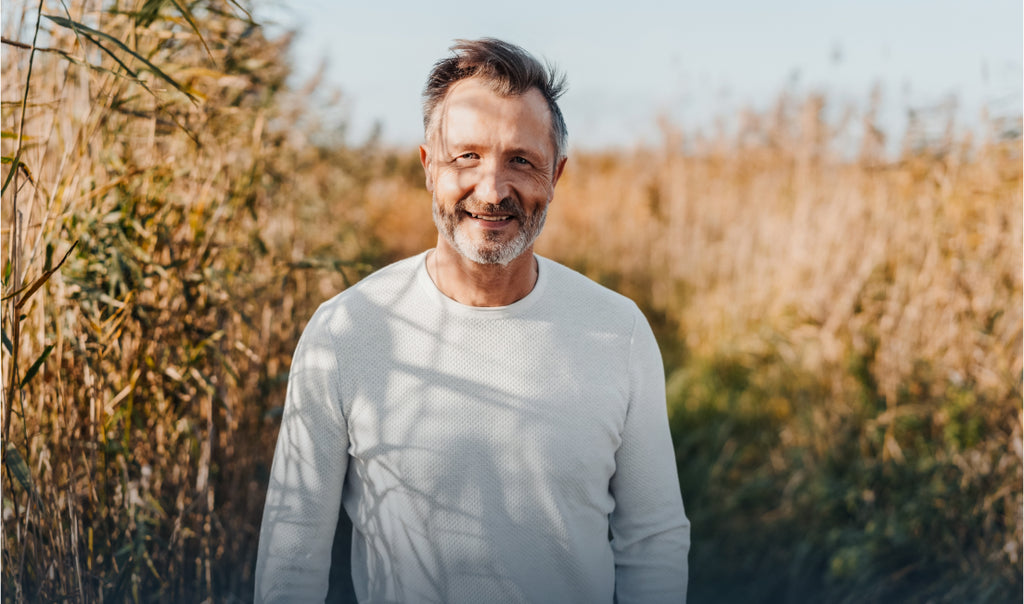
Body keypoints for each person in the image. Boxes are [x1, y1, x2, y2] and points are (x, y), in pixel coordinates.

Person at [255, 38, 690, 603]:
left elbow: (652, 538)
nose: (491, 190)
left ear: (556, 175)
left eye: (521, 160)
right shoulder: (346, 333)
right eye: (467, 156)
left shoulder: (618, 332)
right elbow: (293, 555)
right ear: (428, 167)